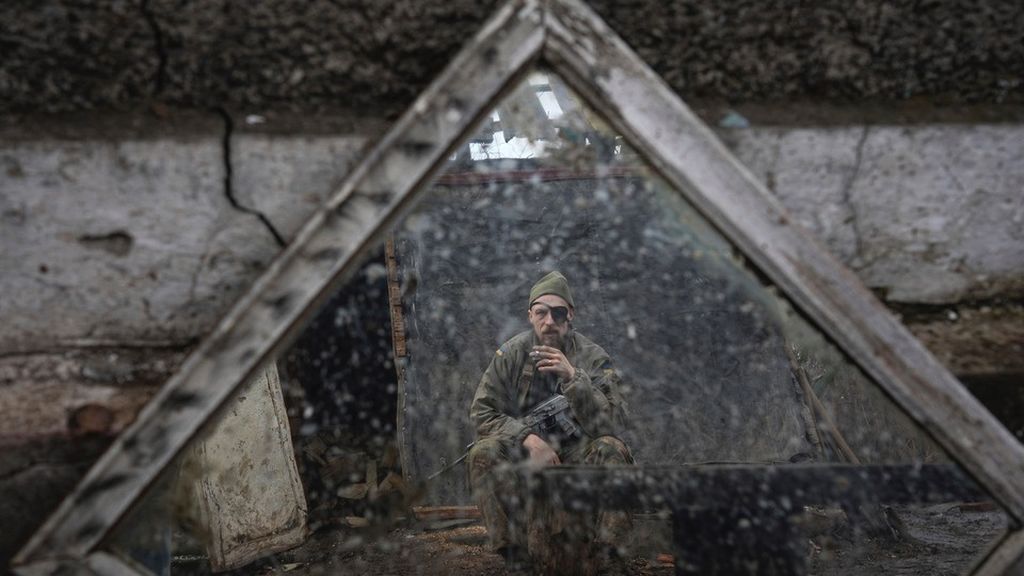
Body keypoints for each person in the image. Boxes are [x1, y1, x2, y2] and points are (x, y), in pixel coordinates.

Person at [468, 271, 634, 573]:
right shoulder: (511, 354)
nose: (549, 322)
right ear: (530, 314)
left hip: (580, 453)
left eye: (558, 313)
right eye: (541, 312)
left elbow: (615, 421)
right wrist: (527, 438)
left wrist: (574, 378)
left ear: (570, 315)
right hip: (528, 456)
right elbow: (482, 412)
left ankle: (609, 557)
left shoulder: (593, 357)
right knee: (483, 453)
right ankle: (516, 559)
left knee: (610, 448)